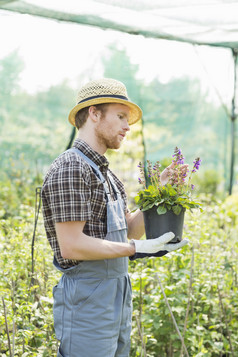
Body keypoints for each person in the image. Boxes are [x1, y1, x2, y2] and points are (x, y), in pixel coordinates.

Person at [41, 78, 189, 357]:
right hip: (87, 301)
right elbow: (71, 245)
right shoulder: (71, 168)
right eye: (120, 116)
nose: (127, 126)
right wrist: (136, 250)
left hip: (116, 295)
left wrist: (160, 192)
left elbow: (130, 231)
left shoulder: (108, 175)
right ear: (94, 114)